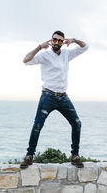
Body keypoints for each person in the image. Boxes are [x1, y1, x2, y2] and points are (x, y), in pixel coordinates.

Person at [20, 30, 89, 169]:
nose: (56, 42)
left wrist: (74, 40)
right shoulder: (44, 55)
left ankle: (75, 155)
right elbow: (25, 60)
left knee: (77, 123)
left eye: (59, 40)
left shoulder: (67, 54)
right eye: (54, 40)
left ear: (63, 42)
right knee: (37, 125)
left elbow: (85, 47)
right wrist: (39, 47)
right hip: (48, 96)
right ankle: (29, 156)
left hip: (63, 97)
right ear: (51, 41)